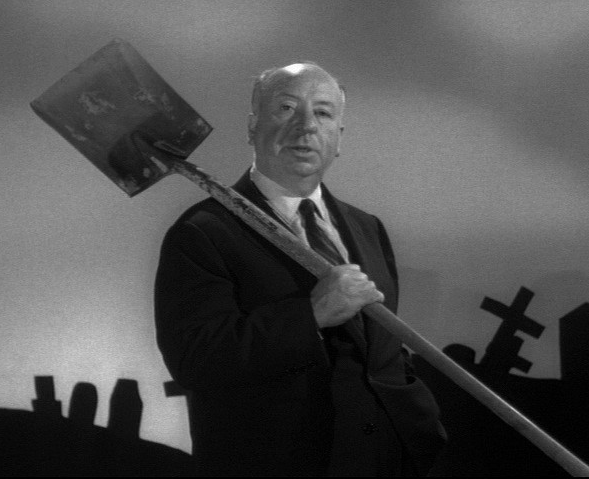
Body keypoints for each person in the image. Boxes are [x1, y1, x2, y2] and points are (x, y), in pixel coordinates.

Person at [154, 62, 447, 476]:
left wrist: (419, 427)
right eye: (286, 108)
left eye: (323, 113)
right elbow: (195, 359)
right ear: (252, 127)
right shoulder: (203, 232)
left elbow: (382, 351)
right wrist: (311, 315)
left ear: (338, 138)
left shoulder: (367, 228)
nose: (306, 126)